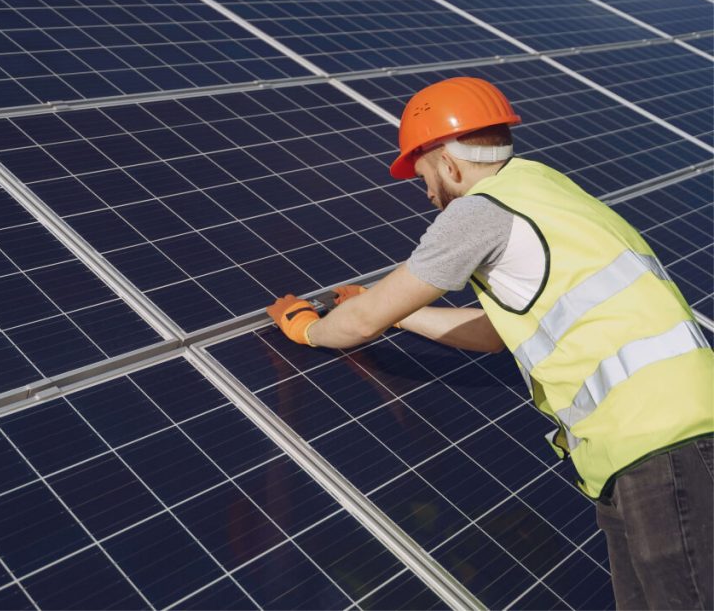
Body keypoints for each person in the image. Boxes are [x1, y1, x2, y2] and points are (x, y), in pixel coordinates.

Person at [267, 77, 714, 610]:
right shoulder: (546, 190)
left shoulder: (480, 212)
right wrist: (399, 317)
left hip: (662, 441)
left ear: (449, 163)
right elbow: (495, 332)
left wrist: (307, 328)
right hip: (642, 446)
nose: (426, 193)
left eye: (423, 175)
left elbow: (361, 324)